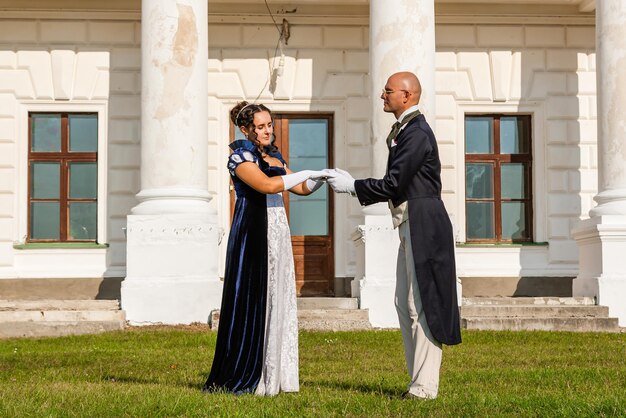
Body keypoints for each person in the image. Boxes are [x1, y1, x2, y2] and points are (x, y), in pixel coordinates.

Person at [327, 72, 461, 399]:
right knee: (404, 302)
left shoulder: (416, 132)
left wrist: (353, 187)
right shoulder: (406, 130)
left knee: (421, 304)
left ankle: (424, 388)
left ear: (407, 95)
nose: (382, 96)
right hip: (412, 221)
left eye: (388, 91)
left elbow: (394, 184)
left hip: (424, 221)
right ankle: (418, 381)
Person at [203, 101, 330, 396]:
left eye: (269, 125)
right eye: (260, 127)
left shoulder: (273, 155)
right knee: (254, 297)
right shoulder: (239, 157)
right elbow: (268, 187)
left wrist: (322, 178)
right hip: (253, 232)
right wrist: (307, 171)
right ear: (246, 129)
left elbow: (299, 188)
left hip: (277, 229)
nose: (267, 131)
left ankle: (276, 372)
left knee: (279, 293)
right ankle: (250, 372)